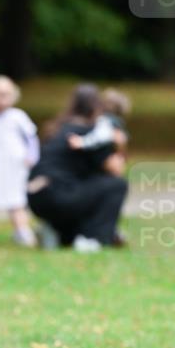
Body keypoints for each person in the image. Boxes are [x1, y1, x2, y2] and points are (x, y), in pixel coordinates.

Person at [27, 84, 128, 251]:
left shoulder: (58, 129)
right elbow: (116, 169)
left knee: (88, 187)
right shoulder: (91, 133)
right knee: (116, 186)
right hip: (60, 194)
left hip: (36, 197)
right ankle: (92, 238)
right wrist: (120, 144)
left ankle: (58, 233)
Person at [0, 75, 40, 246]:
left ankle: (22, 230)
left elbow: (31, 138)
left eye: (4, 95)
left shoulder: (18, 116)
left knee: (16, 198)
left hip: (16, 164)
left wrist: (32, 156)